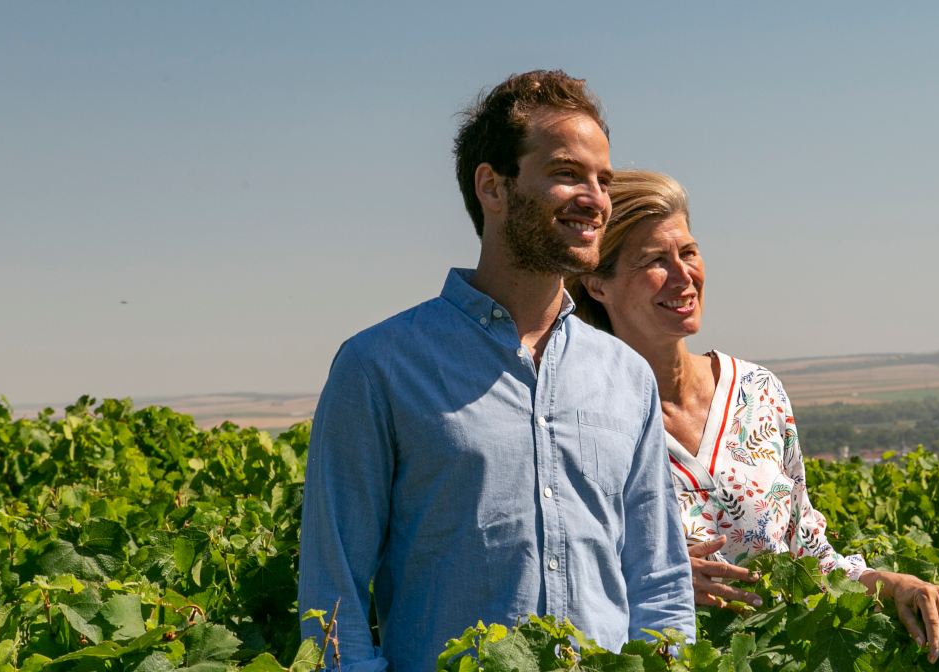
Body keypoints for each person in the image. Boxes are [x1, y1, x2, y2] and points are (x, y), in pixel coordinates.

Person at [297, 72, 693, 672]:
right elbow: (333, 598)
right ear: (493, 186)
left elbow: (659, 583)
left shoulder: (626, 376)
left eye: (603, 180)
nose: (595, 199)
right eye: (566, 173)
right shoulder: (378, 367)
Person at [568, 170, 939, 662]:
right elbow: (560, 576)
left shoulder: (759, 393)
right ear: (597, 284)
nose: (683, 275)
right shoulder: (578, 415)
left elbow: (811, 559)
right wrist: (650, 581)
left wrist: (897, 584)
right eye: (654, 260)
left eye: (688, 252)